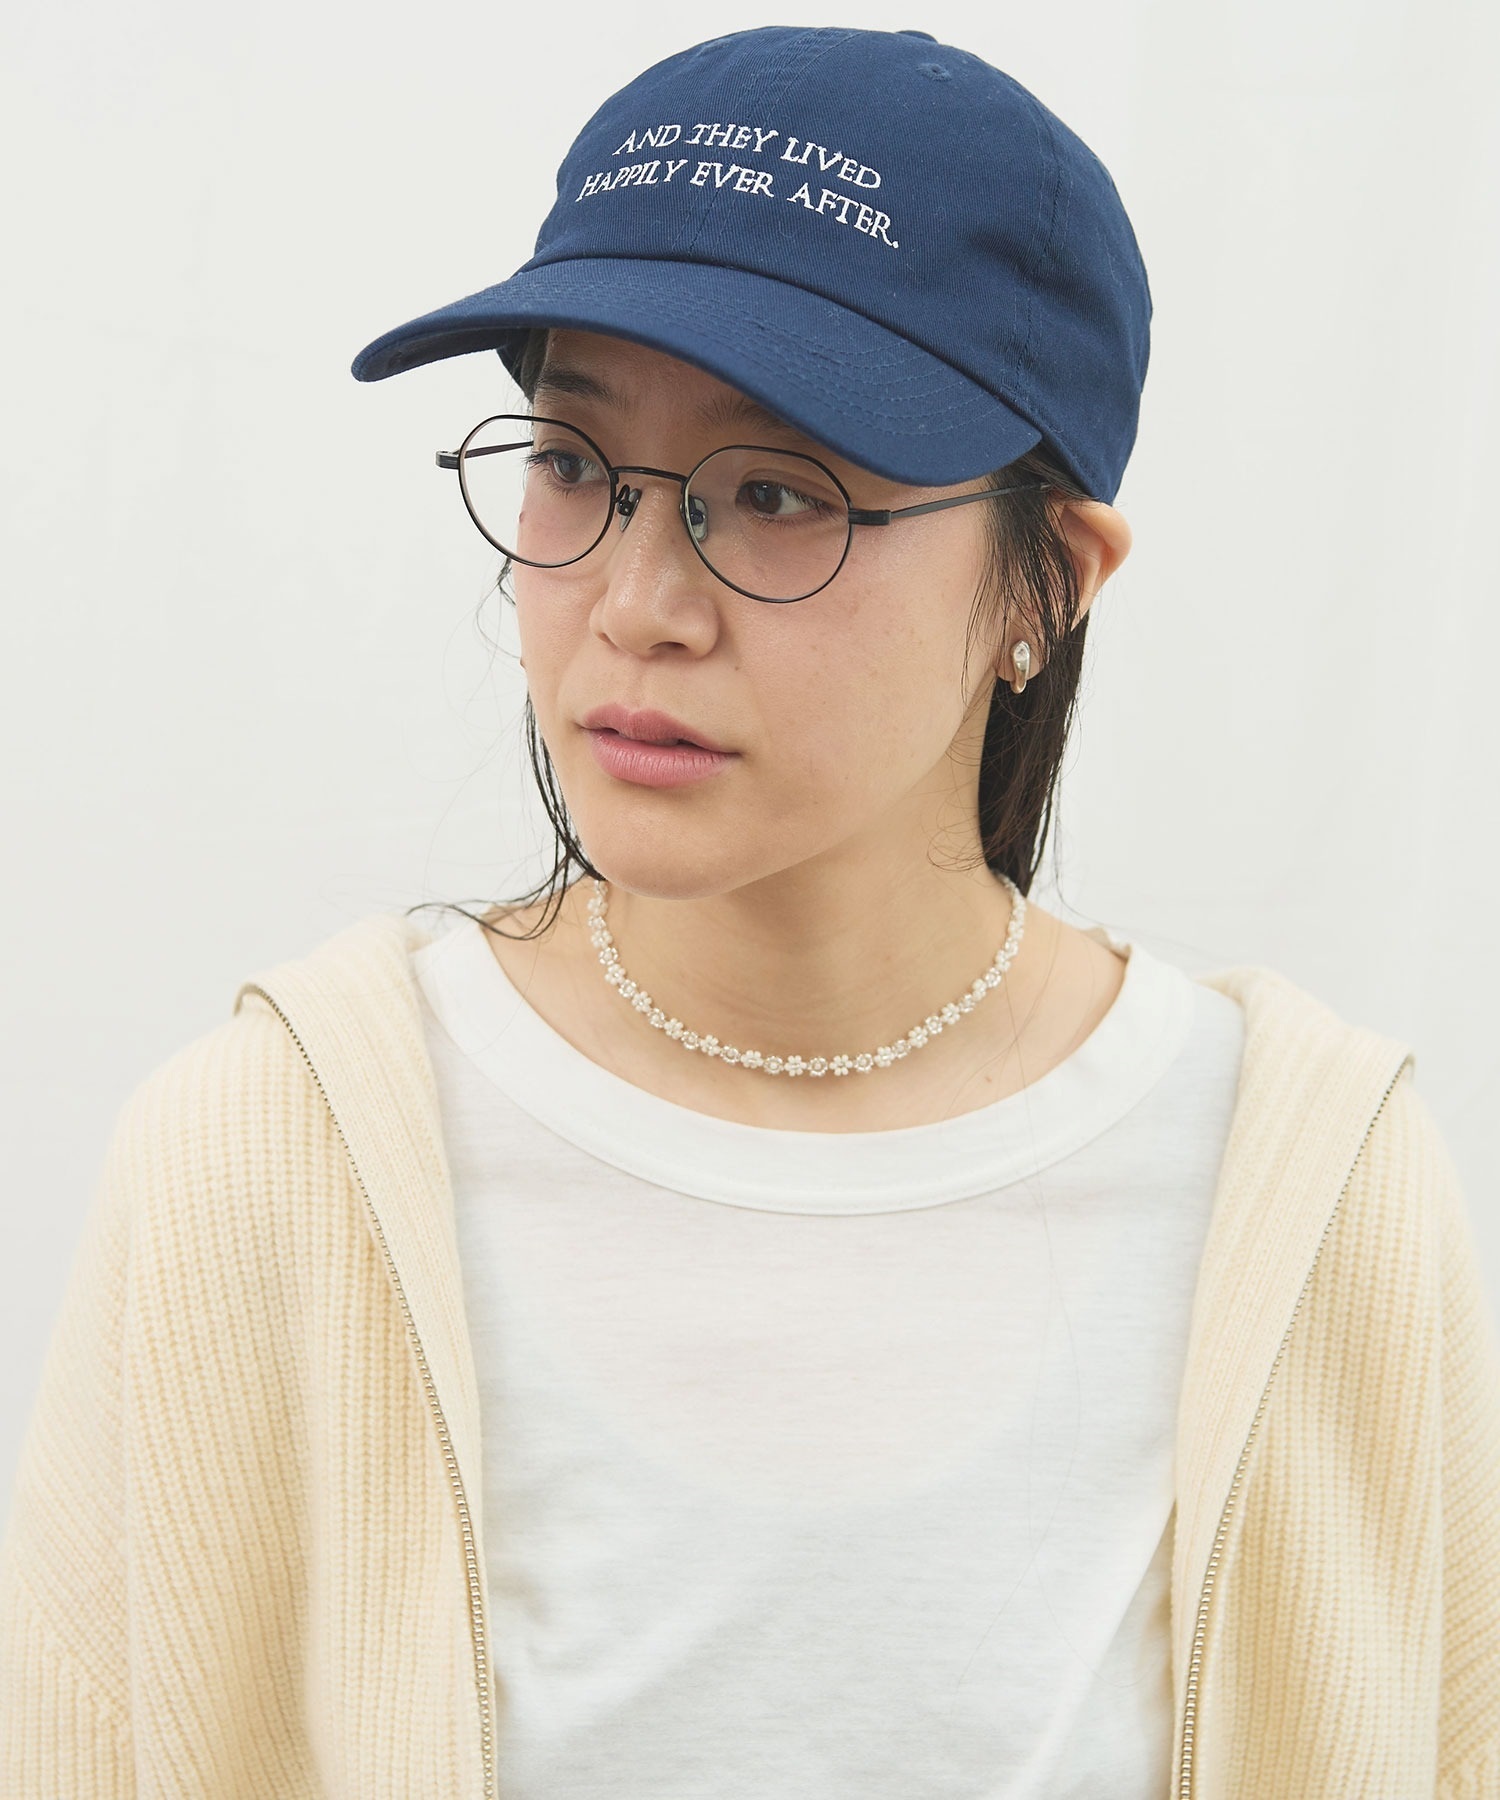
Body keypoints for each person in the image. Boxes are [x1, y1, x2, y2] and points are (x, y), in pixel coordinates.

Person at [2, 24, 1498, 1800]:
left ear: (1052, 584)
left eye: (776, 494)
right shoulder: (265, 1156)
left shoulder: (1306, 1193)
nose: (637, 602)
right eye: (576, 462)